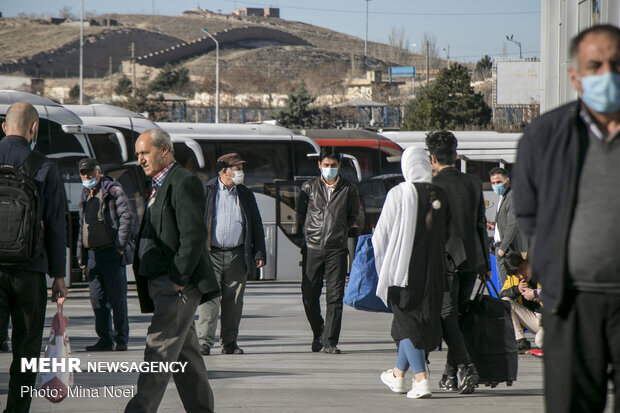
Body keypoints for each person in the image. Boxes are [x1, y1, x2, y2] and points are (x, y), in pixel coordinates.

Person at [513, 24, 620, 413]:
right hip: (570, 304)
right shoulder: (545, 136)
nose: (608, 74)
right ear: (575, 76)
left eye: (617, 64)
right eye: (596, 65)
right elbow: (528, 211)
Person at [125, 129, 220, 413]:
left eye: (145, 153)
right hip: (164, 283)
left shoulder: (183, 181)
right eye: (138, 154)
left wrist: (178, 279)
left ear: (164, 149)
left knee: (159, 350)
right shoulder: (157, 184)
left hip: (175, 285)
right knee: (186, 356)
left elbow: (193, 235)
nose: (140, 159)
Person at [0, 101, 68, 413]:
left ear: (4, 127)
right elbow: (56, 223)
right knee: (26, 352)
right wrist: (58, 274)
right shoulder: (45, 166)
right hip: (30, 271)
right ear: (34, 129)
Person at [374, 146, 449, 399]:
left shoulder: (399, 192)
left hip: (403, 270)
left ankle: (421, 380)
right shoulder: (440, 193)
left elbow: (380, 236)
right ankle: (397, 375)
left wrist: (382, 265)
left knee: (407, 324)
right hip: (435, 271)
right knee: (416, 322)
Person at [426, 130, 490, 394]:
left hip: (445, 260)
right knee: (458, 316)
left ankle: (466, 365)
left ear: (432, 159)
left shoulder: (432, 186)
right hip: (472, 260)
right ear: (455, 154)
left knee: (445, 316)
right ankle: (450, 374)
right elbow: (480, 226)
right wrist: (486, 264)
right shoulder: (474, 183)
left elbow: (429, 229)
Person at [196, 153, 266, 356]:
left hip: (237, 255)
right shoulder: (207, 191)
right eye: (236, 169)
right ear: (224, 170)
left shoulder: (245, 194)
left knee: (234, 303)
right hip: (211, 255)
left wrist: (259, 251)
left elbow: (256, 225)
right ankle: (204, 343)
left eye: (241, 169)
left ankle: (229, 343)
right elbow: (194, 223)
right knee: (209, 301)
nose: (240, 173)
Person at [298, 146, 360, 354]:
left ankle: (329, 342)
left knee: (334, 297)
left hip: (337, 250)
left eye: (333, 165)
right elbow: (300, 215)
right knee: (308, 295)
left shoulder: (349, 189)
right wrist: (305, 240)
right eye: (326, 165)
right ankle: (319, 332)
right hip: (312, 248)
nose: (329, 169)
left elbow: (354, 216)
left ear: (339, 165)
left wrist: (340, 231)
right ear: (319, 165)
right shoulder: (308, 187)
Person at [76, 158, 135, 352]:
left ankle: (121, 339)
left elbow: (127, 217)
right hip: (93, 256)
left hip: (111, 252)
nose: (87, 176)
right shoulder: (85, 195)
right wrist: (81, 254)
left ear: (98, 172)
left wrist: (119, 246)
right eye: (83, 173)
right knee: (97, 300)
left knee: (117, 300)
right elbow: (82, 228)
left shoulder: (113, 191)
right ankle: (104, 339)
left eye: (90, 173)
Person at [486, 167, 527, 285]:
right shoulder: (504, 197)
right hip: (504, 249)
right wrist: (495, 226)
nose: (495, 185)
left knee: (508, 288)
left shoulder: (512, 196)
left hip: (509, 250)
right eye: (493, 183)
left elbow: (513, 224)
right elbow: (507, 222)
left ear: (507, 180)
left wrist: (502, 249)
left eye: (498, 182)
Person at [499, 253, 543, 352]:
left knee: (540, 341)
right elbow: (501, 294)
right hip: (535, 319)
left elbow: (556, 293)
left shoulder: (541, 269)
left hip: (549, 319)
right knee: (505, 302)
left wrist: (536, 294)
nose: (521, 275)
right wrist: (516, 290)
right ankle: (520, 341)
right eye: (517, 274)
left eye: (522, 270)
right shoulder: (514, 278)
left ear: (526, 263)